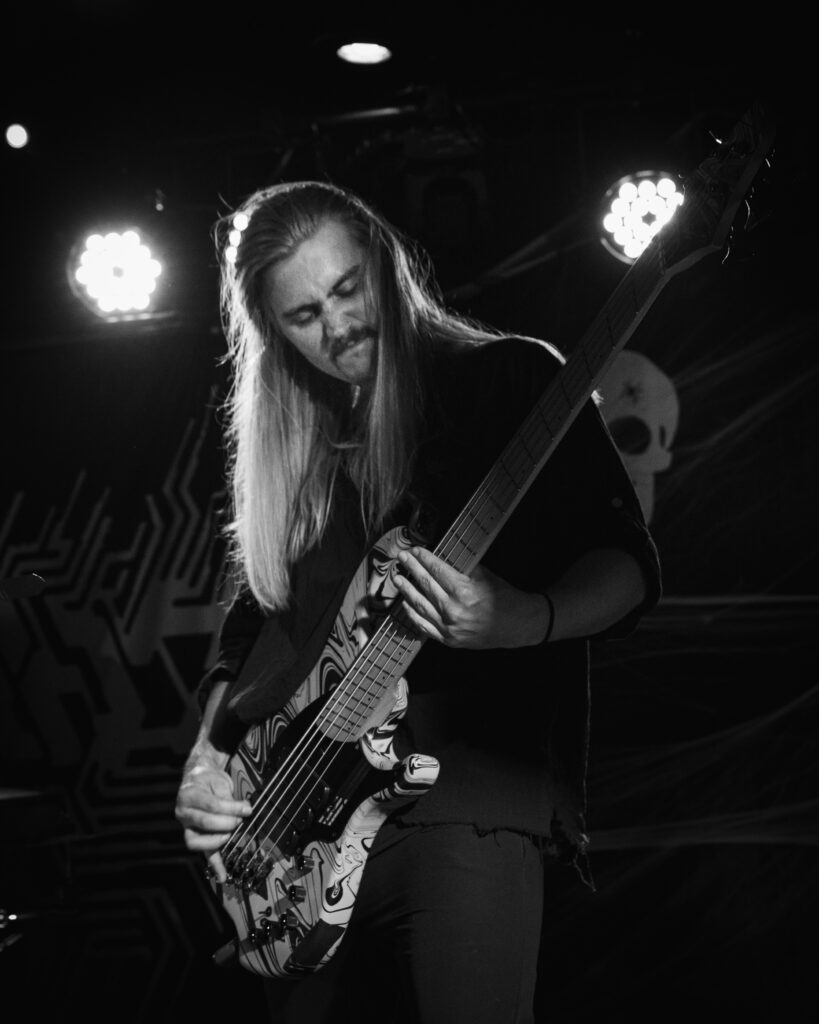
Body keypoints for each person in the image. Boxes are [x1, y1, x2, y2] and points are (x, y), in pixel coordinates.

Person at [175, 180, 661, 1023]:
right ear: (274, 336)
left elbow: (624, 564)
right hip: (290, 849)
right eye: (302, 316)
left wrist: (520, 618)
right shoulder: (301, 458)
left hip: (463, 802)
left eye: (346, 288)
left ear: (383, 262)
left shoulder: (507, 378)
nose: (336, 325)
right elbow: (247, 632)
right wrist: (205, 761)